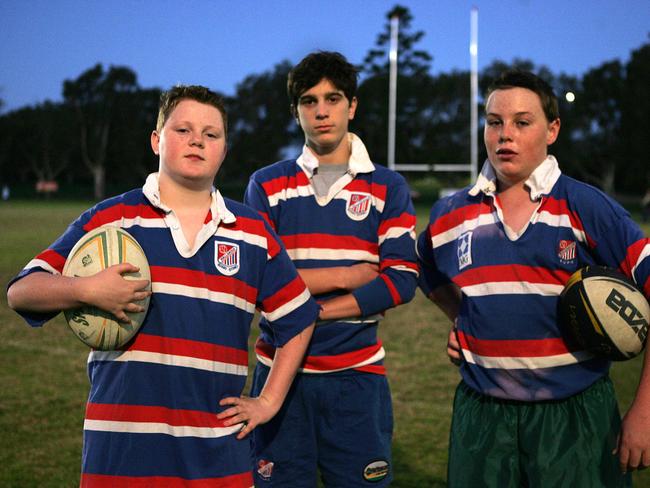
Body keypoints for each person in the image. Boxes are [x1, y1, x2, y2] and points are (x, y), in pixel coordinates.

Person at [7, 85, 318, 487]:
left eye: (211, 134)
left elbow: (299, 317)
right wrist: (85, 290)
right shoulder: (112, 218)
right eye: (183, 130)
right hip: (120, 451)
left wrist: (269, 401)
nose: (197, 141)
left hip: (218, 454)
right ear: (156, 140)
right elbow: (22, 291)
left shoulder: (253, 234)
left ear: (225, 149)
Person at [416, 69, 650, 487]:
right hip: (482, 418)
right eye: (494, 122)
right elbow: (422, 265)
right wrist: (462, 317)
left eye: (522, 122)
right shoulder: (451, 215)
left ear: (552, 129)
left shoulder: (585, 207)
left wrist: (643, 414)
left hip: (573, 417)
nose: (506, 134)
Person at [244, 51, 418, 487]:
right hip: (279, 376)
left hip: (356, 378)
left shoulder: (387, 187)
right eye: (309, 101)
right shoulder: (266, 184)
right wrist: (349, 275)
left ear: (352, 105)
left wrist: (310, 309)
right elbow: (261, 282)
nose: (321, 111)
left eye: (333, 98)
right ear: (295, 111)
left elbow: (400, 282)